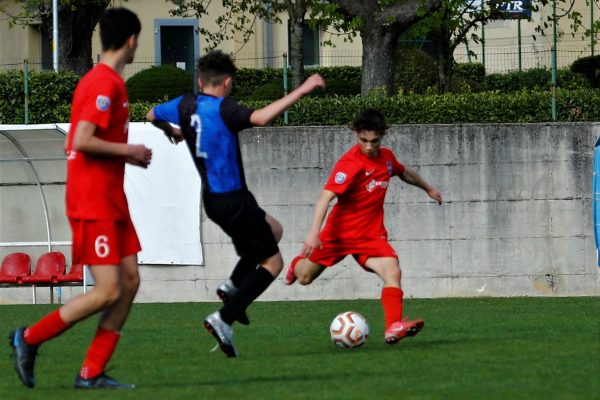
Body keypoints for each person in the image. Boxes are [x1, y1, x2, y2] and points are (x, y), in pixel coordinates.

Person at [146, 50, 325, 357]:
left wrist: (171, 130)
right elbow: (262, 118)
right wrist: (304, 88)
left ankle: (232, 287)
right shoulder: (224, 109)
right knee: (273, 262)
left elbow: (150, 114)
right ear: (227, 82)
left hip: (213, 201)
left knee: (274, 231)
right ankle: (224, 317)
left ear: (201, 81)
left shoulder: (184, 104)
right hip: (234, 200)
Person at [9, 7, 150, 389]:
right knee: (108, 290)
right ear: (132, 40)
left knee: (131, 281)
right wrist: (130, 151)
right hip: (94, 202)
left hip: (110, 199)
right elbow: (80, 139)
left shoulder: (105, 82)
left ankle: (91, 372)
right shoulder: (104, 84)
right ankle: (29, 337)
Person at [284, 108, 443, 344]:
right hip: (338, 235)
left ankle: (392, 327)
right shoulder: (350, 164)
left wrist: (428, 187)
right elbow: (325, 198)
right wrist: (313, 233)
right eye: (363, 140)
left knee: (393, 271)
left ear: (382, 136)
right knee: (304, 277)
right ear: (356, 134)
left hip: (370, 237)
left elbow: (403, 172)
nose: (369, 146)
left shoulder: (386, 158)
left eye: (374, 141)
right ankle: (297, 264)